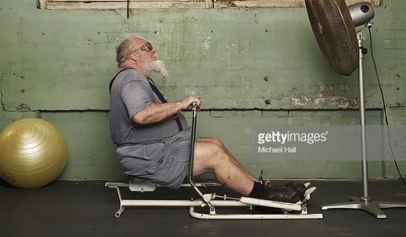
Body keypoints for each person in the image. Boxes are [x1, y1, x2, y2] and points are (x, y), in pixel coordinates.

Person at [109, 35, 306, 203]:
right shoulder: (131, 78)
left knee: (215, 143)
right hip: (151, 158)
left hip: (157, 149)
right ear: (133, 55)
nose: (154, 51)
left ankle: (260, 187)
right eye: (148, 47)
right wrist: (181, 104)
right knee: (213, 153)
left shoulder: (132, 77)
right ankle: (263, 199)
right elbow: (141, 114)